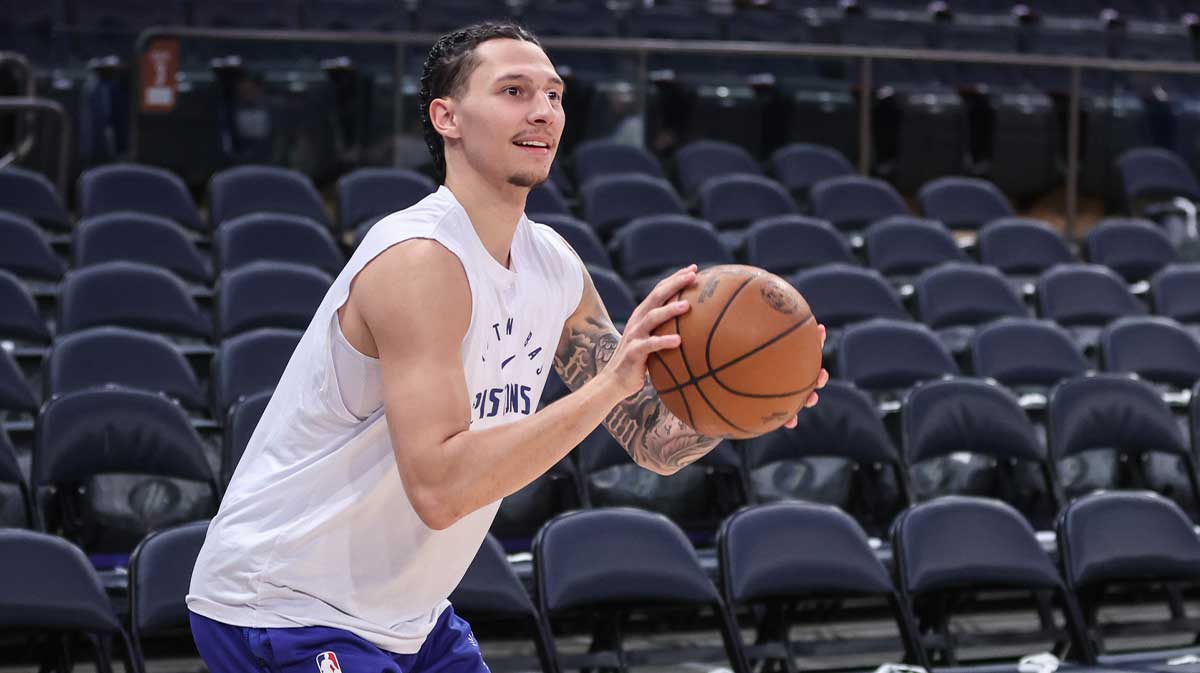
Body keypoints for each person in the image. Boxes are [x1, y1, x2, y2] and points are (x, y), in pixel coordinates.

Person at [186, 21, 828, 673]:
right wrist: (612, 381)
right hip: (283, 602)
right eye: (514, 91)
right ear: (447, 117)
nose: (543, 110)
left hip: (410, 615)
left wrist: (750, 407)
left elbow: (653, 439)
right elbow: (438, 488)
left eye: (553, 94)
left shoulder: (552, 264)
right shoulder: (420, 261)